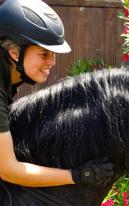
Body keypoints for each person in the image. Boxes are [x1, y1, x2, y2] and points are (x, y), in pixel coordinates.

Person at [0, 0, 113, 188]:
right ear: (14, 53)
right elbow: (8, 170)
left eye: (53, 54)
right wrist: (76, 175)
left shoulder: (9, 76)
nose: (52, 62)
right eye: (44, 54)